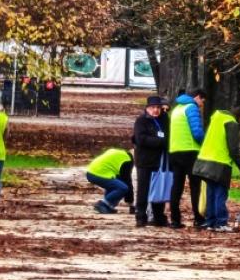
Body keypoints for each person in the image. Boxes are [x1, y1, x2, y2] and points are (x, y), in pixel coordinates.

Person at [193, 106, 240, 232]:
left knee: (211, 192)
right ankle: (221, 222)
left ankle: (210, 221)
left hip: (204, 161)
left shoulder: (217, 119)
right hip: (220, 163)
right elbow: (233, 149)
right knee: (220, 193)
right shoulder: (232, 123)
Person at [168, 88, 207, 229]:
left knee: (176, 187)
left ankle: (175, 220)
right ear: (197, 97)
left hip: (175, 151)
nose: (202, 104)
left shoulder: (176, 109)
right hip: (190, 152)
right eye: (202, 100)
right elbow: (196, 132)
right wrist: (205, 143)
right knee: (195, 186)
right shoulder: (191, 108)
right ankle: (198, 218)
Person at [132, 95, 169, 228]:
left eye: (158, 107)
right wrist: (160, 142)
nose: (156, 110)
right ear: (147, 108)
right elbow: (140, 139)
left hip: (160, 161)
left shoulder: (164, 119)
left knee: (159, 189)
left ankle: (159, 216)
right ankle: (141, 216)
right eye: (153, 107)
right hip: (145, 160)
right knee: (143, 189)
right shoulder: (141, 121)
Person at [85, 147, 134, 214]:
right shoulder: (128, 160)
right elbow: (127, 181)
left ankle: (108, 206)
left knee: (116, 185)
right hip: (97, 174)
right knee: (123, 188)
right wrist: (131, 203)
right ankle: (102, 204)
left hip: (91, 172)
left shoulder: (120, 154)